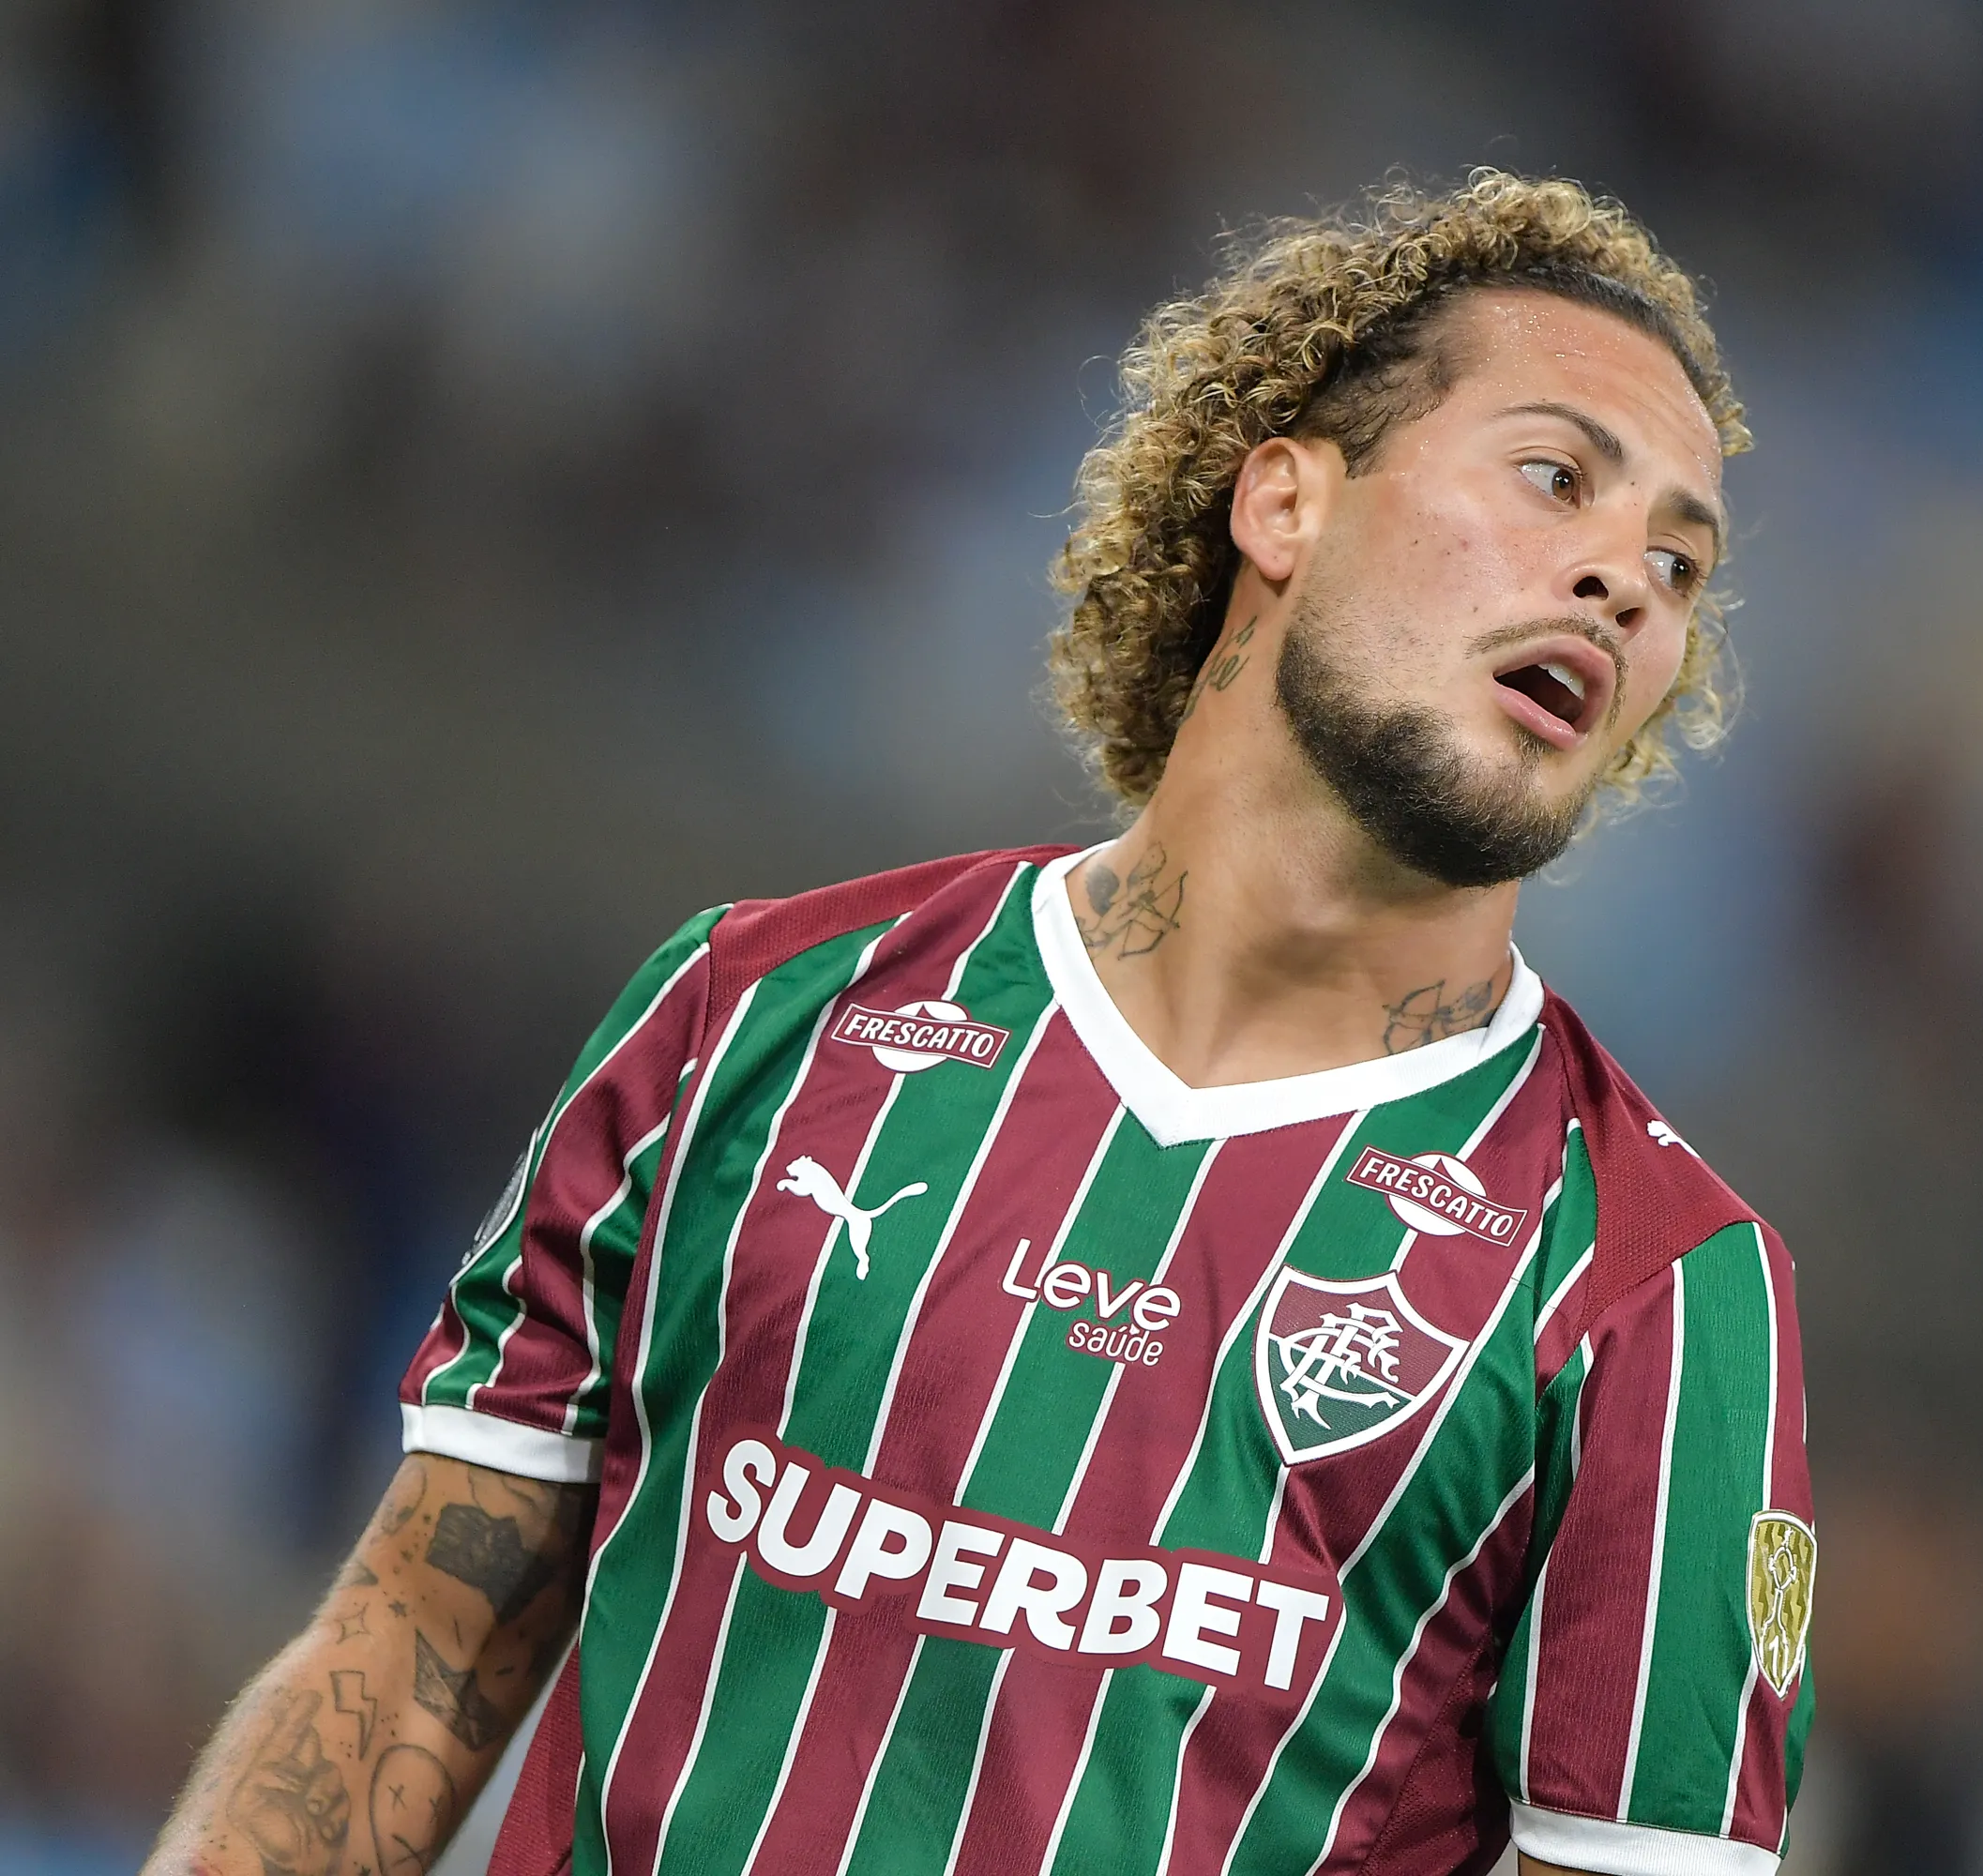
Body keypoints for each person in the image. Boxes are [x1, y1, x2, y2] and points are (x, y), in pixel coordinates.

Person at [146, 169, 1814, 1876]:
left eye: (1679, 565)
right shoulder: (756, 1016)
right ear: (1286, 503)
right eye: (1557, 480)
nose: (1625, 577)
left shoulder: (1654, 1285)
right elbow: (414, 1644)